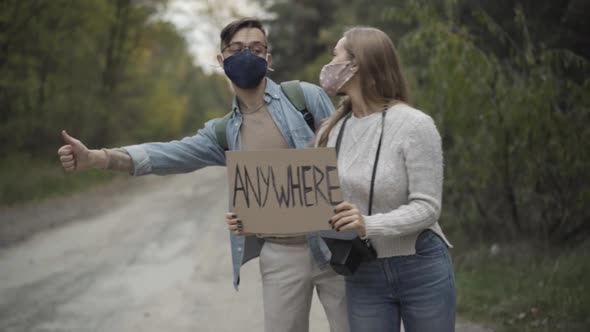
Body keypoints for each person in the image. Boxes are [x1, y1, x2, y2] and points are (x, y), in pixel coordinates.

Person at [57, 18, 349, 332]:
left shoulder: (306, 98)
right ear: (222, 60)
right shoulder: (222, 132)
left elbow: (348, 158)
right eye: (237, 49)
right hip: (280, 256)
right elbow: (165, 155)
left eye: (256, 48)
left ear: (268, 59)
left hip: (335, 247)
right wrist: (98, 158)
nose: (247, 55)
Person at [319, 27, 455, 332]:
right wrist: (250, 219)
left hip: (420, 264)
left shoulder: (414, 125)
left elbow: (427, 207)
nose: (329, 64)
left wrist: (368, 224)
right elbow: (309, 201)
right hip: (362, 271)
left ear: (357, 64)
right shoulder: (331, 132)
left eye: (336, 54)